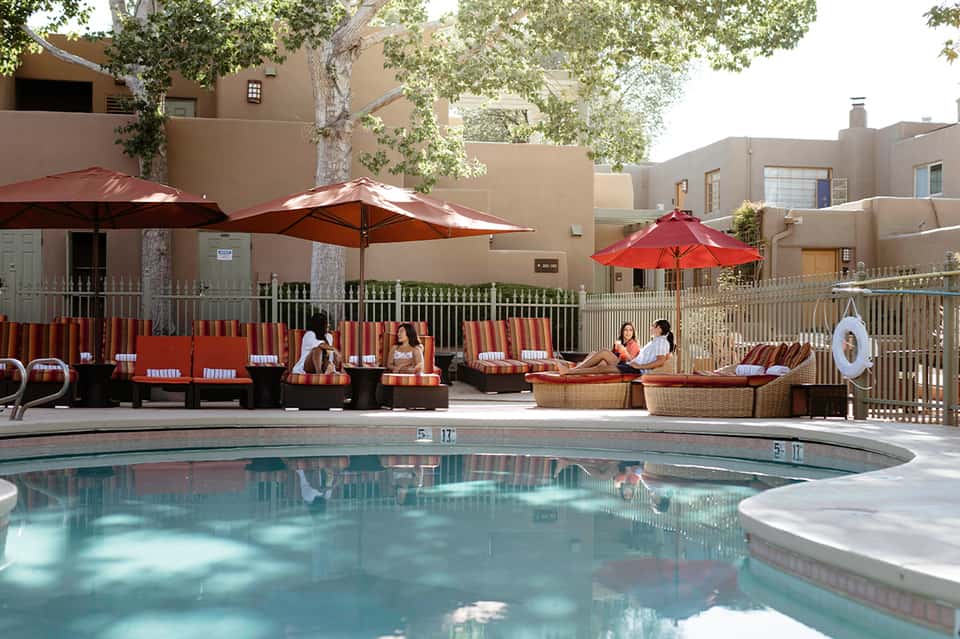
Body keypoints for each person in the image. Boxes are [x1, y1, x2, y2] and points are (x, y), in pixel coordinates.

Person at [561, 319, 675, 375]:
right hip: (632, 366)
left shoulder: (661, 342)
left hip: (635, 369)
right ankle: (571, 371)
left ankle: (570, 372)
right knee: (602, 356)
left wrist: (639, 366)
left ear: (659, 328)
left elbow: (660, 361)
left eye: (653, 326)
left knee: (601, 367)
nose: (650, 328)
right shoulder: (656, 341)